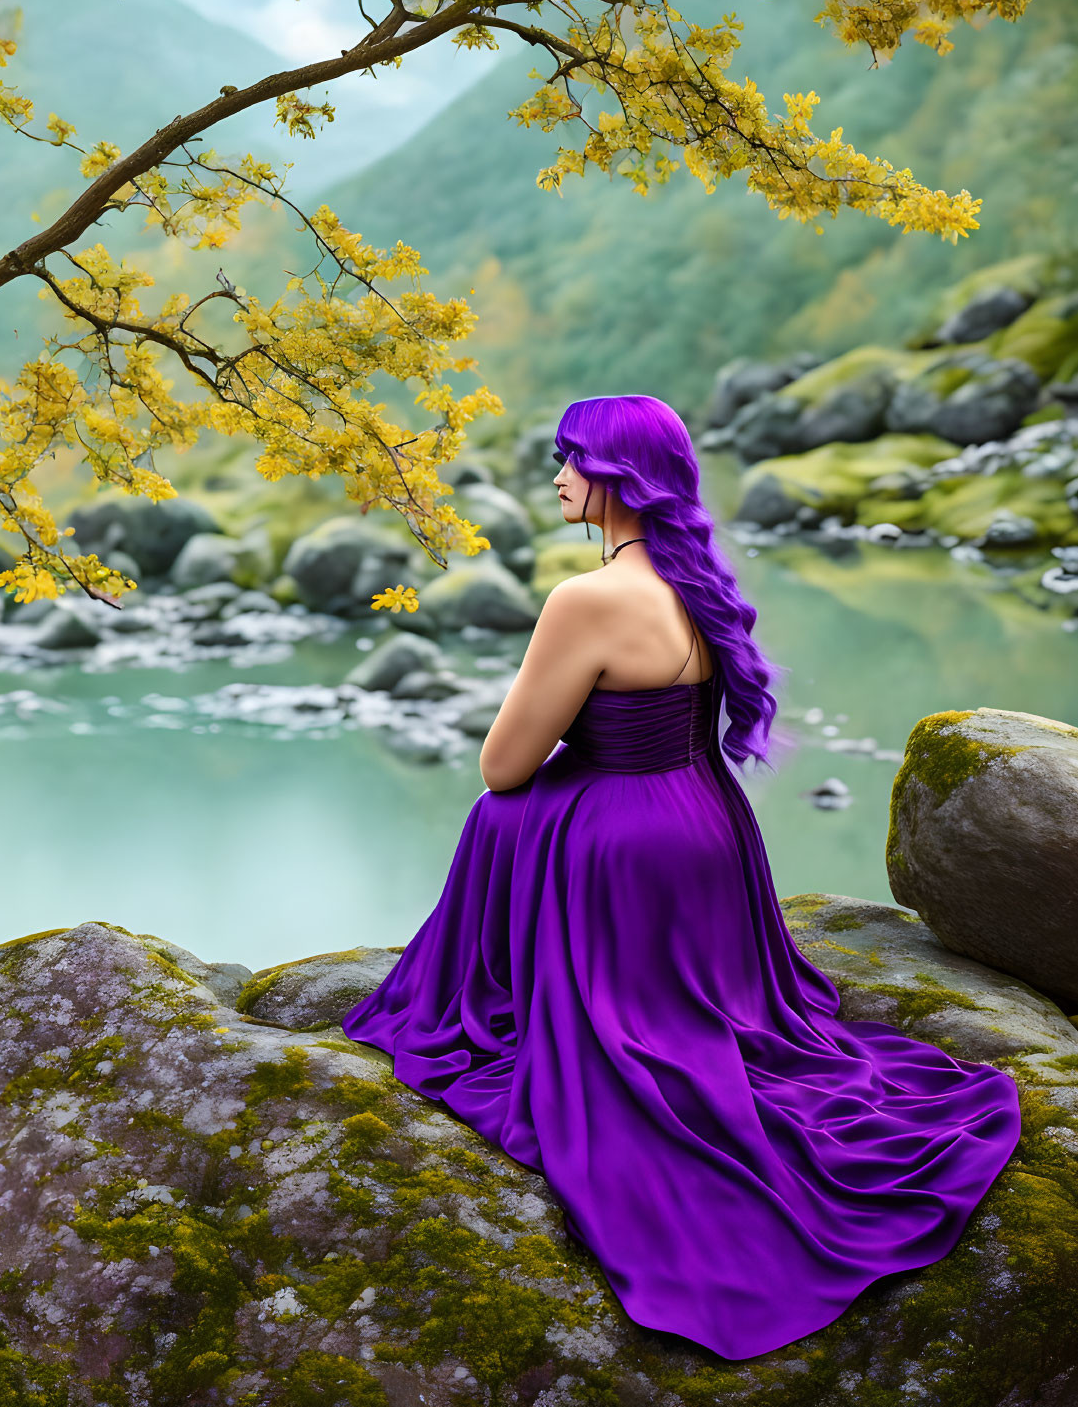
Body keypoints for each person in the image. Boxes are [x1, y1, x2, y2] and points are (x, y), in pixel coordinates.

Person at [340, 394, 1023, 1360]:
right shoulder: (692, 581)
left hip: (625, 840)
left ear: (617, 476)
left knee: (499, 810)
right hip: (705, 823)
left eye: (569, 458)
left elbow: (503, 764)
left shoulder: (588, 598)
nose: (555, 476)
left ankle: (497, 992)